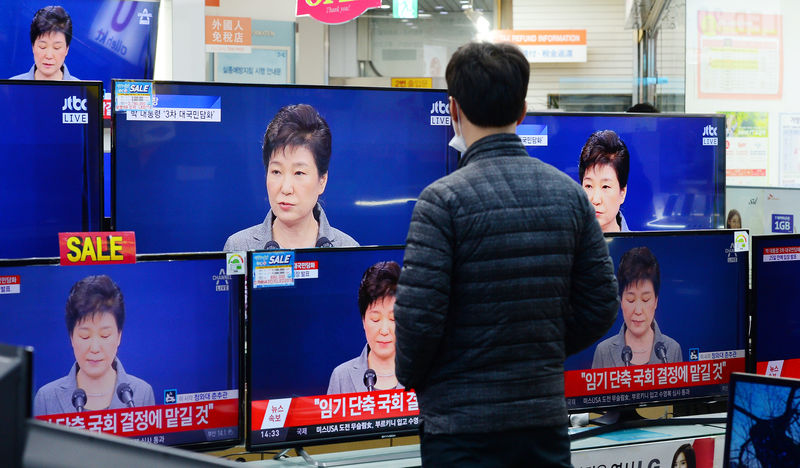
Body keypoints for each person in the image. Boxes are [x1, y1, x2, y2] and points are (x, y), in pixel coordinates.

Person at [394, 42, 619, 467]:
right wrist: (542, 346)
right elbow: (602, 304)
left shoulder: (440, 202)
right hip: (543, 427)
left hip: (460, 433)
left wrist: (416, 376)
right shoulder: (570, 197)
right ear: (522, 111)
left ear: (454, 110)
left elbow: (418, 323)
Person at [224, 104, 358, 251]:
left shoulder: (347, 249)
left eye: (299, 173)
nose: (286, 188)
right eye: (276, 172)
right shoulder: (239, 247)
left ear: (322, 181)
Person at [33, 275, 154, 415]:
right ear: (71, 337)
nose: (95, 348)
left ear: (119, 336)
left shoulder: (142, 394)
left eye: (105, 335)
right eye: (85, 336)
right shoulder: (46, 399)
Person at [592, 246, 682, 368]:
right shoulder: (603, 352)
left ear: (655, 301)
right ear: (621, 301)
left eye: (645, 300)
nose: (638, 311)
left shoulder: (672, 349)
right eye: (630, 300)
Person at [327, 261, 404, 394]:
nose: (384, 331)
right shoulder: (341, 377)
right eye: (375, 319)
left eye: (393, 319)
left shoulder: (424, 375)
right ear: (363, 320)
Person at [579, 129, 631, 232]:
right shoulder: (564, 246)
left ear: (622, 193)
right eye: (588, 186)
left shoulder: (638, 247)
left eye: (605, 186)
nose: (596, 200)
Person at [10, 6, 79, 81]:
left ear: (66, 49)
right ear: (33, 46)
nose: (49, 56)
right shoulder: (12, 87)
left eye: (57, 47)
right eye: (42, 47)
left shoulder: (82, 89)